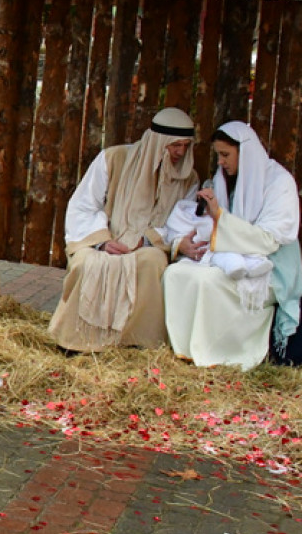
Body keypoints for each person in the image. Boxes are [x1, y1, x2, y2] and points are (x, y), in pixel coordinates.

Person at [47, 107, 199, 352]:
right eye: (174, 145)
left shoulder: (189, 179)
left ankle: (136, 342)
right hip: (104, 239)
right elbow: (83, 205)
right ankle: (76, 341)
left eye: (185, 146)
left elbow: (181, 221)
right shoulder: (113, 158)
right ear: (158, 142)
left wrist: (147, 240)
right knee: (88, 263)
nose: (180, 152)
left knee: (152, 263)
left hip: (148, 245)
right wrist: (103, 242)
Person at [163, 121, 302, 370]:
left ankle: (215, 353)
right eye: (218, 155)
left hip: (271, 266)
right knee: (176, 273)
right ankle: (184, 349)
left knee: (208, 282)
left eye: (225, 155)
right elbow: (208, 223)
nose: (220, 162)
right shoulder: (223, 180)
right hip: (230, 256)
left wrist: (220, 218)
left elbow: (269, 240)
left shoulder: (280, 183)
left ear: (244, 152)